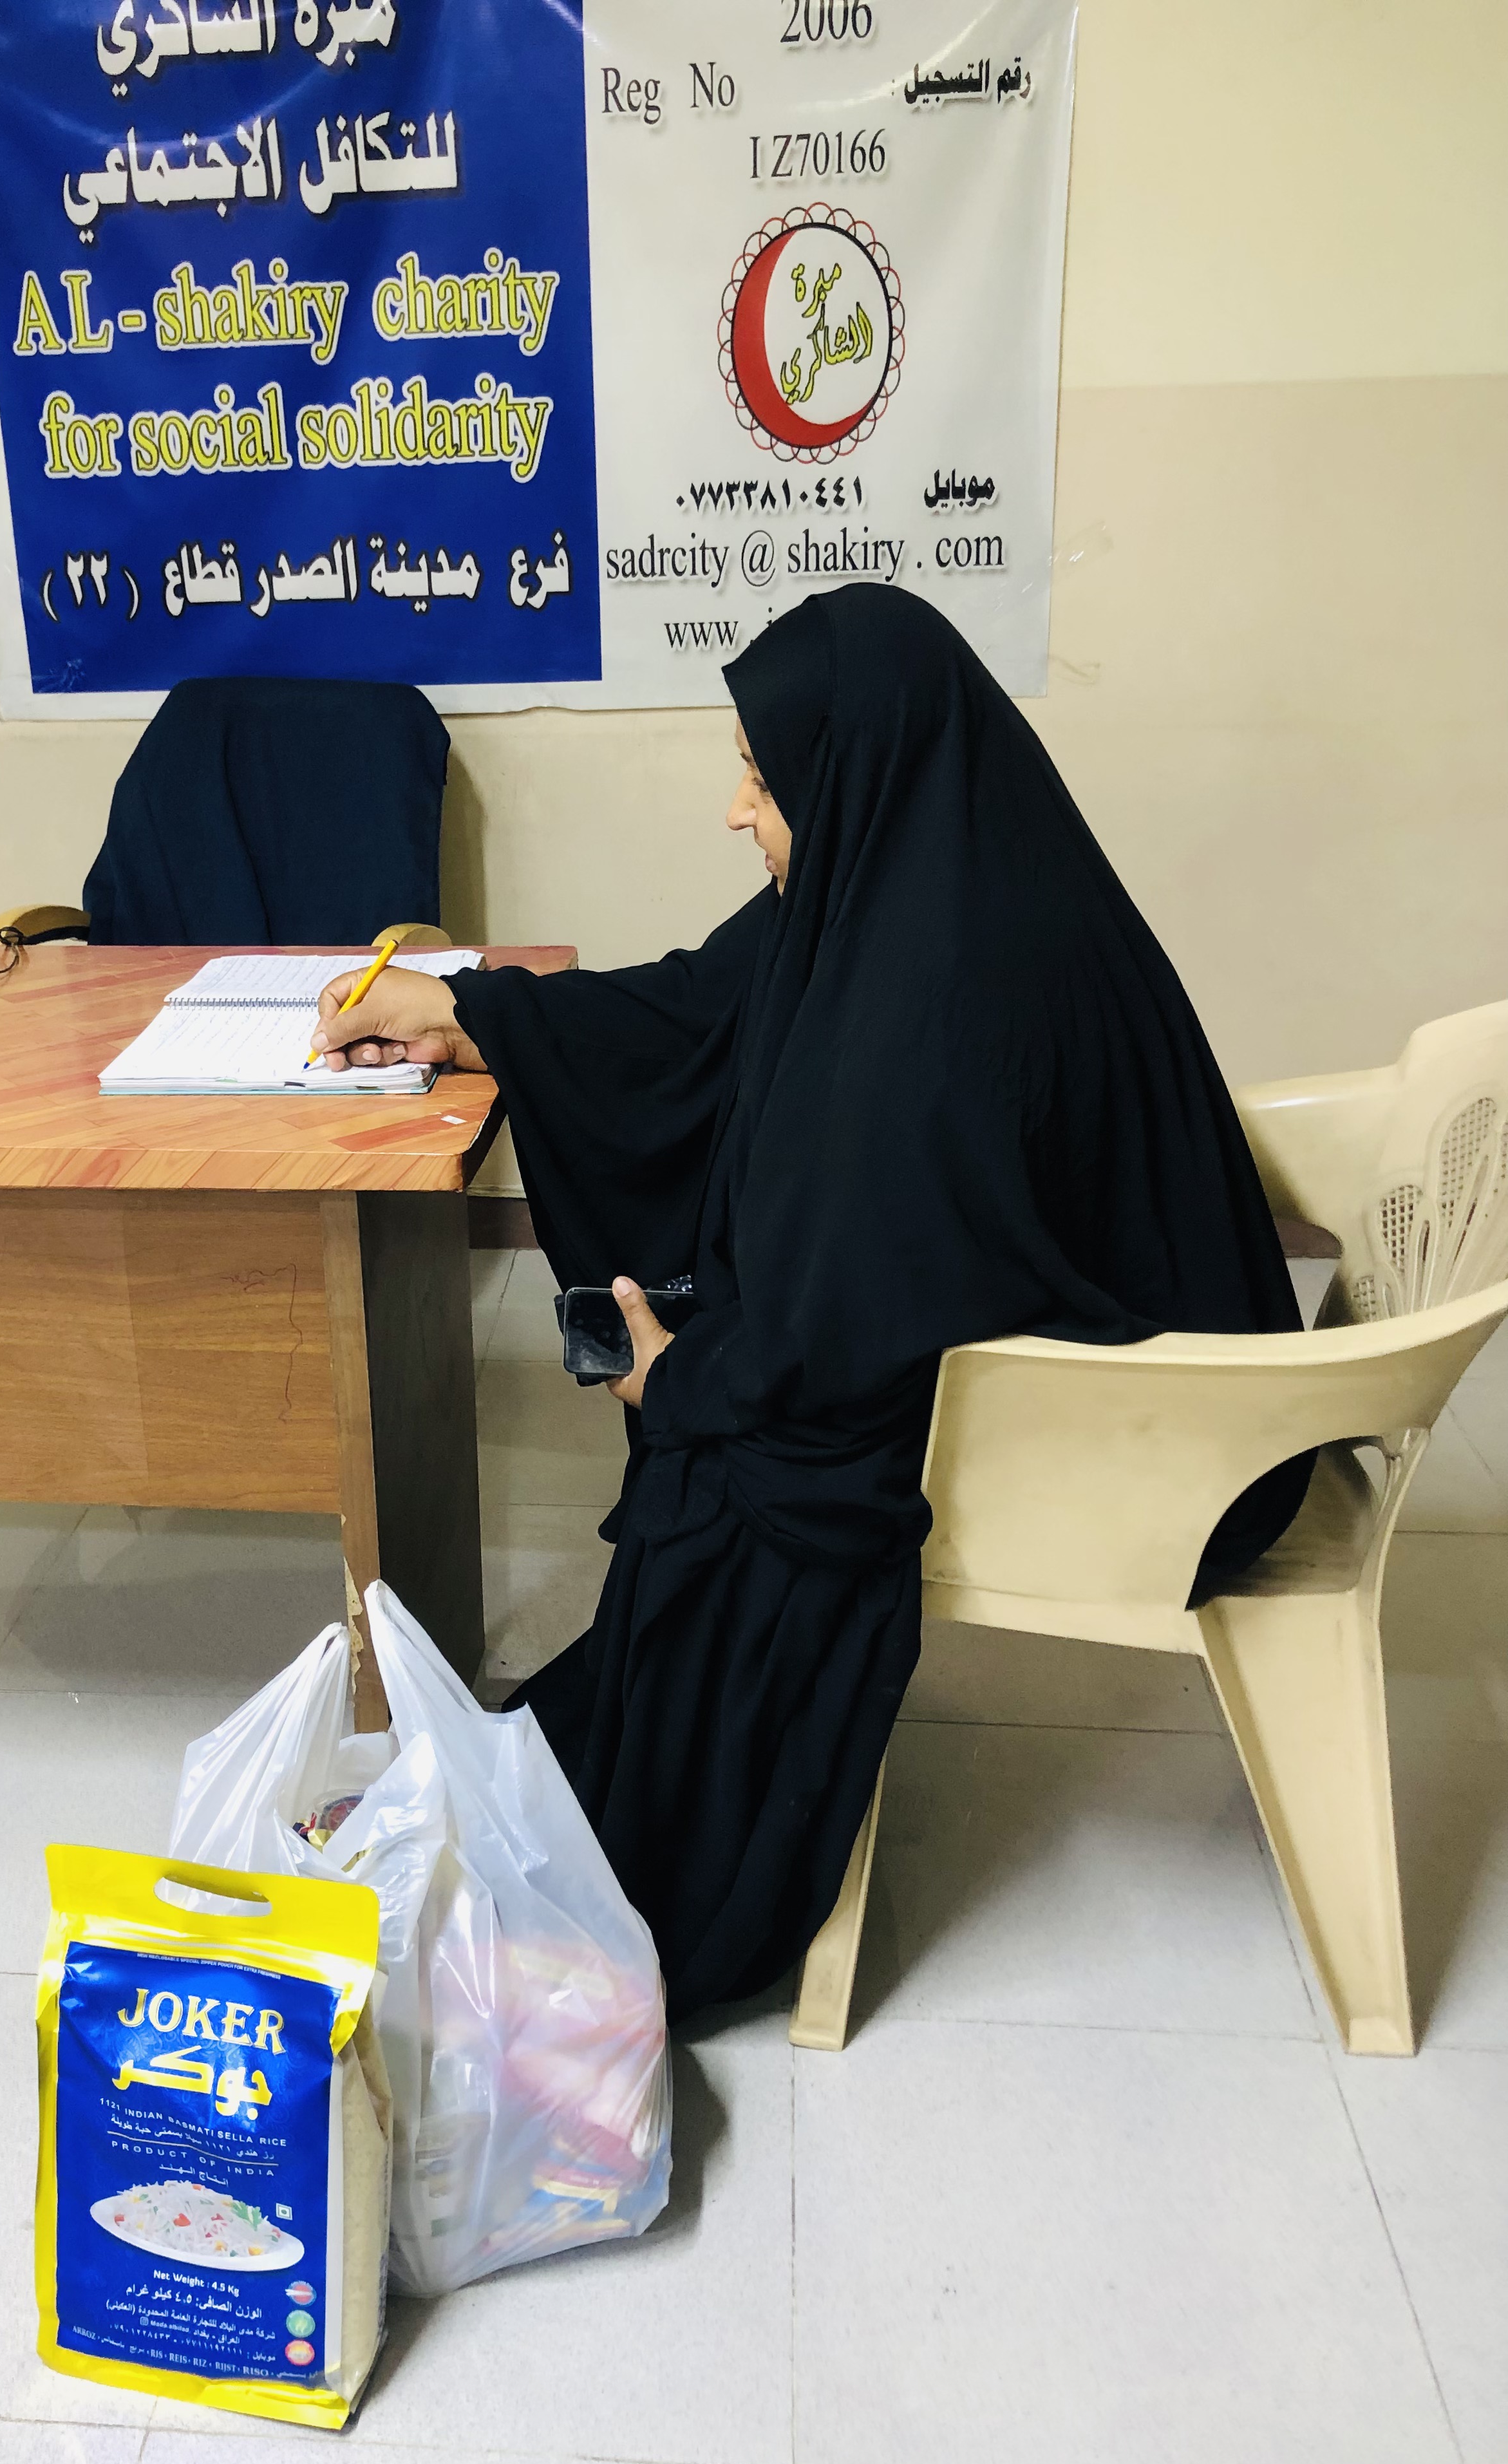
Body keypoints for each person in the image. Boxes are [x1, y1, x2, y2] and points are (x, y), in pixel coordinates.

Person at [311, 585, 1309, 2024]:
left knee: (757, 1466)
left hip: (1180, 1443)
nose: (738, 809)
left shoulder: (947, 998)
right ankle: (570, 1788)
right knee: (733, 1401)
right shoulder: (921, 866)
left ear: (847, 776)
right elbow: (695, 1012)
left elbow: (851, 1335)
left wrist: (680, 1381)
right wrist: (468, 1012)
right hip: (1132, 1368)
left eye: (763, 779)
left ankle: (628, 1864)